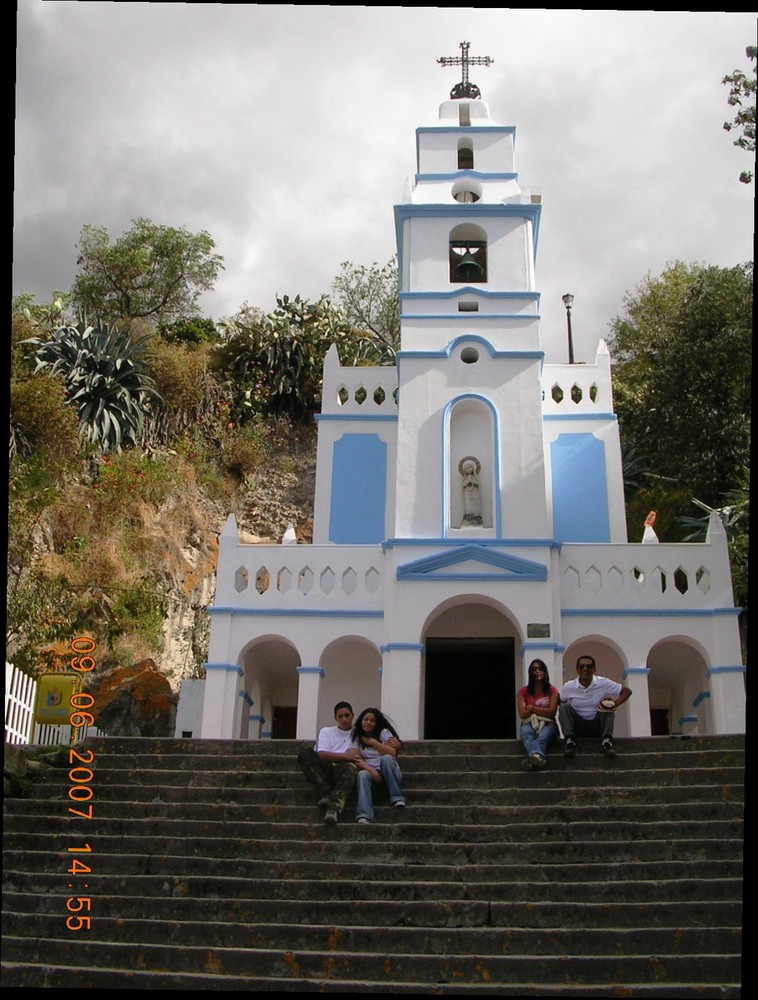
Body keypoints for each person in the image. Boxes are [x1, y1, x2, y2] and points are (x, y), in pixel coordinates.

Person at [296, 701, 361, 826]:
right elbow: (321, 754)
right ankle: (324, 792)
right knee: (305, 754)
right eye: (340, 716)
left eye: (347, 715)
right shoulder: (326, 731)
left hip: (346, 768)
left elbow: (356, 756)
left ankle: (334, 809)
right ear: (335, 718)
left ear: (353, 715)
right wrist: (345, 755)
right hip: (327, 767)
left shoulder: (358, 734)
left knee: (350, 768)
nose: (344, 719)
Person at [559, 655, 632, 757]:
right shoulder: (568, 687)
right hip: (578, 726)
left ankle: (607, 741)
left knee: (608, 706)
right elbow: (560, 701)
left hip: (597, 725)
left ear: (594, 669)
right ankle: (570, 742)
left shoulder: (603, 683)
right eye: (581, 666)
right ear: (577, 670)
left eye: (588, 666)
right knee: (564, 708)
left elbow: (627, 691)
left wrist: (615, 703)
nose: (585, 669)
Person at [352, 707, 405, 823]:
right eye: (365, 719)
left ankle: (396, 798)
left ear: (377, 723)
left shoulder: (384, 733)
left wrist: (373, 742)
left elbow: (392, 753)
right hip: (372, 773)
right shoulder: (356, 736)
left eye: (372, 720)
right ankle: (364, 815)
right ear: (361, 721)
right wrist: (372, 771)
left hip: (390, 772)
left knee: (386, 759)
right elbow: (356, 759)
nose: (368, 723)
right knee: (362, 774)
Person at [517, 659, 559, 770]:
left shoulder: (552, 690)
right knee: (527, 734)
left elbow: (552, 712)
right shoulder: (523, 691)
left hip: (548, 723)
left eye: (540, 669)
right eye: (534, 669)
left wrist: (532, 708)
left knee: (543, 737)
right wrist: (539, 710)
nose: (537, 671)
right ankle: (535, 758)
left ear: (545, 671)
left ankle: (531, 759)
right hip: (528, 722)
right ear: (530, 673)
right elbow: (522, 713)